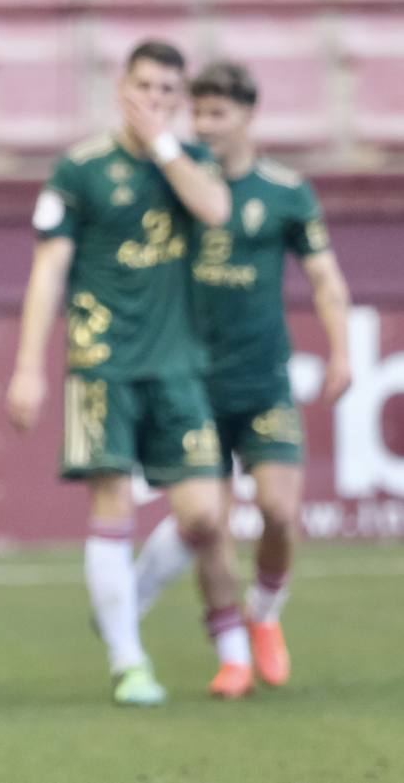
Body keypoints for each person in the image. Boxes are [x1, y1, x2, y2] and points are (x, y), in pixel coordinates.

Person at [5, 40, 245, 705]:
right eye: (147, 87)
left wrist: (164, 145)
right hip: (101, 365)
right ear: (122, 88)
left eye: (171, 90)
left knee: (204, 514)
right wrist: (29, 365)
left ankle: (127, 601)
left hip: (179, 366)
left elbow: (217, 211)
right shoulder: (81, 169)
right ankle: (127, 660)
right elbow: (48, 268)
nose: (157, 101)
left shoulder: (192, 162)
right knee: (112, 506)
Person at [133, 60, 352, 692]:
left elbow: (324, 278)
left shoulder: (285, 191)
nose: (205, 125)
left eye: (217, 114)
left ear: (248, 117)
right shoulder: (175, 181)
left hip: (260, 379)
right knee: (209, 522)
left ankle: (265, 615)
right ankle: (231, 654)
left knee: (282, 512)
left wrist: (339, 350)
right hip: (190, 380)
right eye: (197, 113)